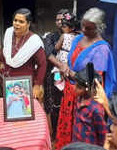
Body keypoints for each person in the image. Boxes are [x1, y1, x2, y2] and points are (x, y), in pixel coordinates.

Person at [55, 7, 116, 150]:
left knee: (81, 133)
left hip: (84, 96)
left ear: (99, 28)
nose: (83, 30)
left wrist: (69, 73)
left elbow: (93, 81)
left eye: (89, 28)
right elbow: (69, 61)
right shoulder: (77, 39)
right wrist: (64, 66)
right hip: (70, 92)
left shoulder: (101, 50)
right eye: (83, 26)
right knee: (67, 129)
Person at [1, 8, 47, 101]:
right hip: (7, 81)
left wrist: (37, 85)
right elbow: (4, 52)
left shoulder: (34, 41)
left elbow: (42, 64)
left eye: (21, 22)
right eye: (15, 20)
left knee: (23, 110)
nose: (17, 23)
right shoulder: (9, 33)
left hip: (24, 84)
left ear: (28, 24)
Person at [43, 9, 74, 139]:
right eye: (57, 20)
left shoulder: (78, 37)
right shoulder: (51, 36)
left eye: (62, 19)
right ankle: (56, 133)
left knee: (70, 104)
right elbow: (49, 53)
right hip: (55, 75)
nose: (60, 22)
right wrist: (62, 66)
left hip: (72, 77)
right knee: (55, 103)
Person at [70, 63, 107, 146]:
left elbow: (102, 134)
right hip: (76, 143)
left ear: (87, 89)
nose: (74, 88)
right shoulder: (79, 99)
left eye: (78, 87)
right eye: (75, 85)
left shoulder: (96, 109)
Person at [52, 12, 78, 91]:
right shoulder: (76, 37)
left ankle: (58, 83)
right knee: (66, 73)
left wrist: (57, 46)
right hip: (69, 58)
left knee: (57, 71)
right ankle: (64, 85)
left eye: (64, 26)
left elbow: (56, 47)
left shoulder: (64, 35)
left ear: (72, 28)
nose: (62, 28)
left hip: (62, 57)